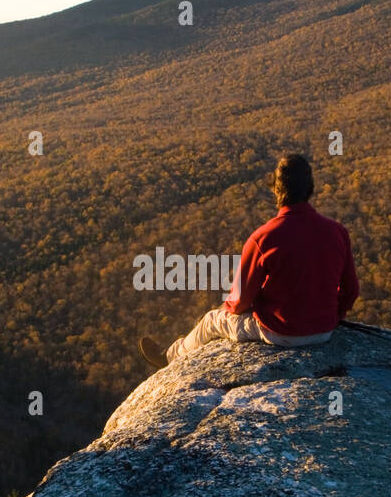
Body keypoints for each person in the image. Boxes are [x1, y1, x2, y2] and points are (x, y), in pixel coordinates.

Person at [139, 153, 359, 368]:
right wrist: (330, 316)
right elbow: (351, 291)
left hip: (280, 333)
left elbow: (239, 302)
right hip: (325, 331)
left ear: (277, 190)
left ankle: (169, 357)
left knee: (211, 320)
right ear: (309, 188)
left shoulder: (263, 238)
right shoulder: (337, 232)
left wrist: (233, 307)